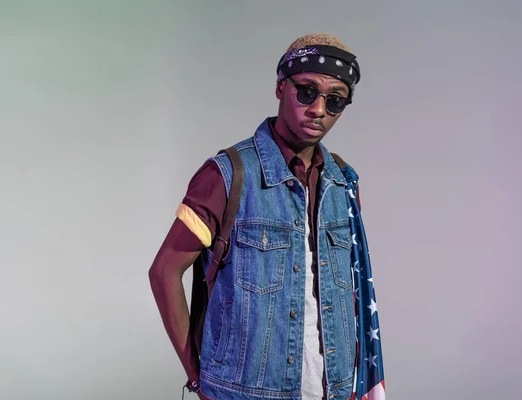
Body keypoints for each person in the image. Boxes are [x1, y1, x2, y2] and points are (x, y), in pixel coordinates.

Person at [148, 33, 385, 400]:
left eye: (335, 100)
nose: (318, 109)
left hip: (335, 392)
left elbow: (350, 294)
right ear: (280, 88)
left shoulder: (344, 183)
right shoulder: (227, 175)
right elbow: (164, 271)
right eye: (307, 91)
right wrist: (197, 374)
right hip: (245, 393)